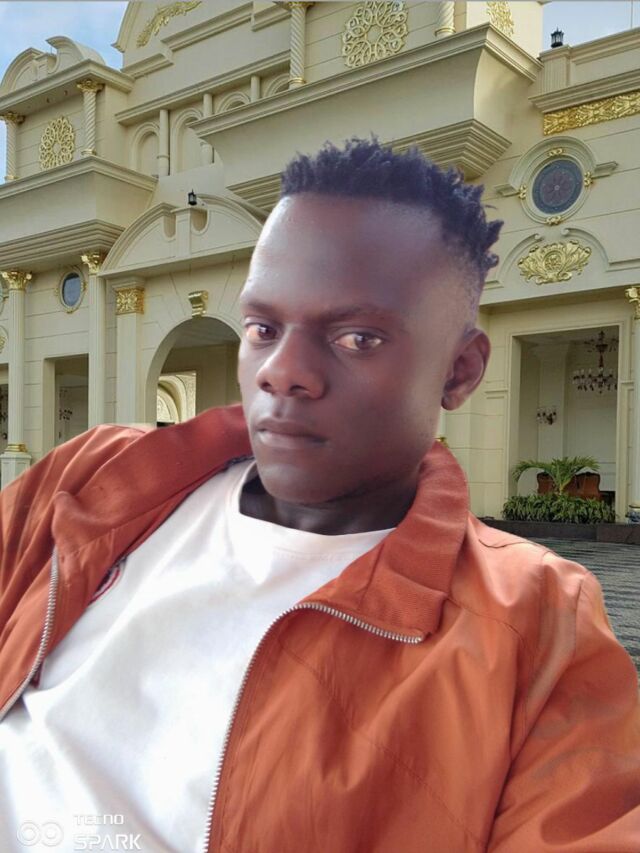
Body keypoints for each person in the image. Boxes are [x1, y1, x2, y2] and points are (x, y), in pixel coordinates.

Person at [0, 137, 638, 853]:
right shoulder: (94, 478)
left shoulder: (537, 621)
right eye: (262, 328)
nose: (282, 371)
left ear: (459, 371)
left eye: (358, 337)